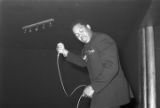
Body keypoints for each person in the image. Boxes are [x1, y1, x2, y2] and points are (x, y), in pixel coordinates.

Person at [56, 20, 132, 108]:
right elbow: (84, 62)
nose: (80, 35)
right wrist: (65, 52)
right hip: (101, 89)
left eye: (81, 30)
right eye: (77, 35)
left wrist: (93, 87)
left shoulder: (102, 39)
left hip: (110, 89)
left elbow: (111, 67)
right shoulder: (86, 48)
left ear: (88, 27)